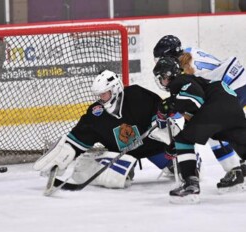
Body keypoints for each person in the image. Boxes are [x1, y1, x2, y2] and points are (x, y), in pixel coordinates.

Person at [33, 69, 177, 188]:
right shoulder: (96, 113)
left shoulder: (137, 96)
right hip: (123, 155)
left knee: (182, 169)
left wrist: (161, 126)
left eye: (104, 93)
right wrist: (67, 152)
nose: (101, 98)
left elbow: (160, 110)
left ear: (115, 89)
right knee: (116, 180)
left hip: (153, 148)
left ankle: (176, 163)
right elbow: (80, 137)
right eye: (99, 95)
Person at [153, 35, 246, 183]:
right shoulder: (188, 53)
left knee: (213, 128)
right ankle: (238, 166)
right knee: (224, 126)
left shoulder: (185, 70)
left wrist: (182, 138)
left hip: (232, 85)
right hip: (236, 79)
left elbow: (196, 107)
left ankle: (234, 170)